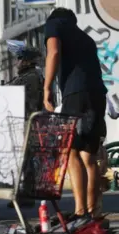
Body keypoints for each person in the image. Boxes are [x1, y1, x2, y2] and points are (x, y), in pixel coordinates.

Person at [43, 8, 107, 220]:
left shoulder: (55, 24)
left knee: (70, 152)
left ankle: (81, 212)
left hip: (75, 94)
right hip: (97, 95)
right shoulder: (85, 38)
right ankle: (94, 212)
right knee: (89, 157)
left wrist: (47, 89)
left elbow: (53, 52)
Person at [4, 41, 44, 208]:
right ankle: (24, 192)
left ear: (26, 61)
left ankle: (27, 194)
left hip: (28, 122)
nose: (16, 62)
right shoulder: (27, 76)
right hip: (25, 121)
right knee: (24, 158)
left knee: (26, 159)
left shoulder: (30, 77)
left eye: (19, 59)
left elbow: (10, 91)